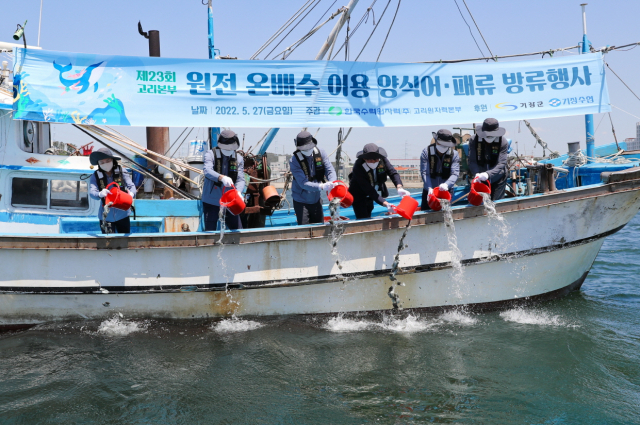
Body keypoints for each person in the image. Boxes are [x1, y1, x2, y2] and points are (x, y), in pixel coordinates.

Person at [348, 143, 410, 219]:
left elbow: (393, 173)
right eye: (370, 159)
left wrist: (399, 187)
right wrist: (386, 204)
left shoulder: (382, 160)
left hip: (372, 193)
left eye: (375, 159)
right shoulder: (358, 167)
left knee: (369, 210)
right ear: (364, 158)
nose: (373, 161)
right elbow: (369, 190)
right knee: (362, 216)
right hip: (359, 194)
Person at [289, 131, 337, 225]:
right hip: (301, 201)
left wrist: (332, 182)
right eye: (303, 149)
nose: (307, 150)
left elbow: (330, 170)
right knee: (304, 230)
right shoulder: (294, 161)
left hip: (316, 199)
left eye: (309, 148)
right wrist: (322, 186)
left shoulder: (321, 153)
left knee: (319, 227)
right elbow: (303, 183)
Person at [202, 130, 246, 230]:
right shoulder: (210, 154)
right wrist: (221, 177)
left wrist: (239, 192)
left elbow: (241, 179)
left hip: (230, 201)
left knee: (237, 229)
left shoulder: (239, 159)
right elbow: (207, 170)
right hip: (211, 200)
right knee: (210, 231)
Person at [89, 148, 137, 234]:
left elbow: (131, 186)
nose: (105, 164)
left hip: (123, 214)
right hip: (106, 216)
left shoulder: (122, 171)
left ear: (113, 161)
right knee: (108, 243)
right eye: (102, 162)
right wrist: (99, 194)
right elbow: (92, 192)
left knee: (124, 241)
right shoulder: (95, 176)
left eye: (108, 161)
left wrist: (132, 194)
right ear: (99, 164)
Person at [468, 118, 509, 201]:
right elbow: (472, 160)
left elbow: (501, 163)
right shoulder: (473, 140)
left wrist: (488, 174)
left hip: (498, 177)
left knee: (496, 203)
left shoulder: (503, 142)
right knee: (479, 201)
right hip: (480, 178)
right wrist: (477, 174)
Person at [420, 129, 461, 210]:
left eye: (445, 145)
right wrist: (429, 187)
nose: (443, 147)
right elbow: (424, 172)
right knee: (426, 212)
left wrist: (447, 184)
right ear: (436, 141)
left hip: (446, 191)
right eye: (441, 144)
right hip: (429, 191)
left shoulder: (454, 154)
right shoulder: (426, 152)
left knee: (445, 214)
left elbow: (455, 173)